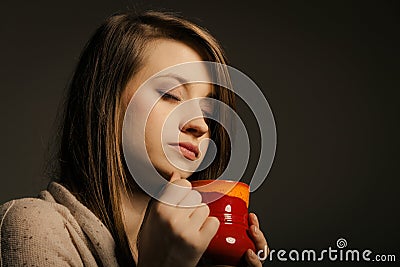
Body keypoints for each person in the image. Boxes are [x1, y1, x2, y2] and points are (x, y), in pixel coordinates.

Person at [0, 11, 269, 266]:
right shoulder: (33, 226)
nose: (200, 125)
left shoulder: (194, 254)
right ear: (105, 102)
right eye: (172, 95)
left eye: (208, 111)